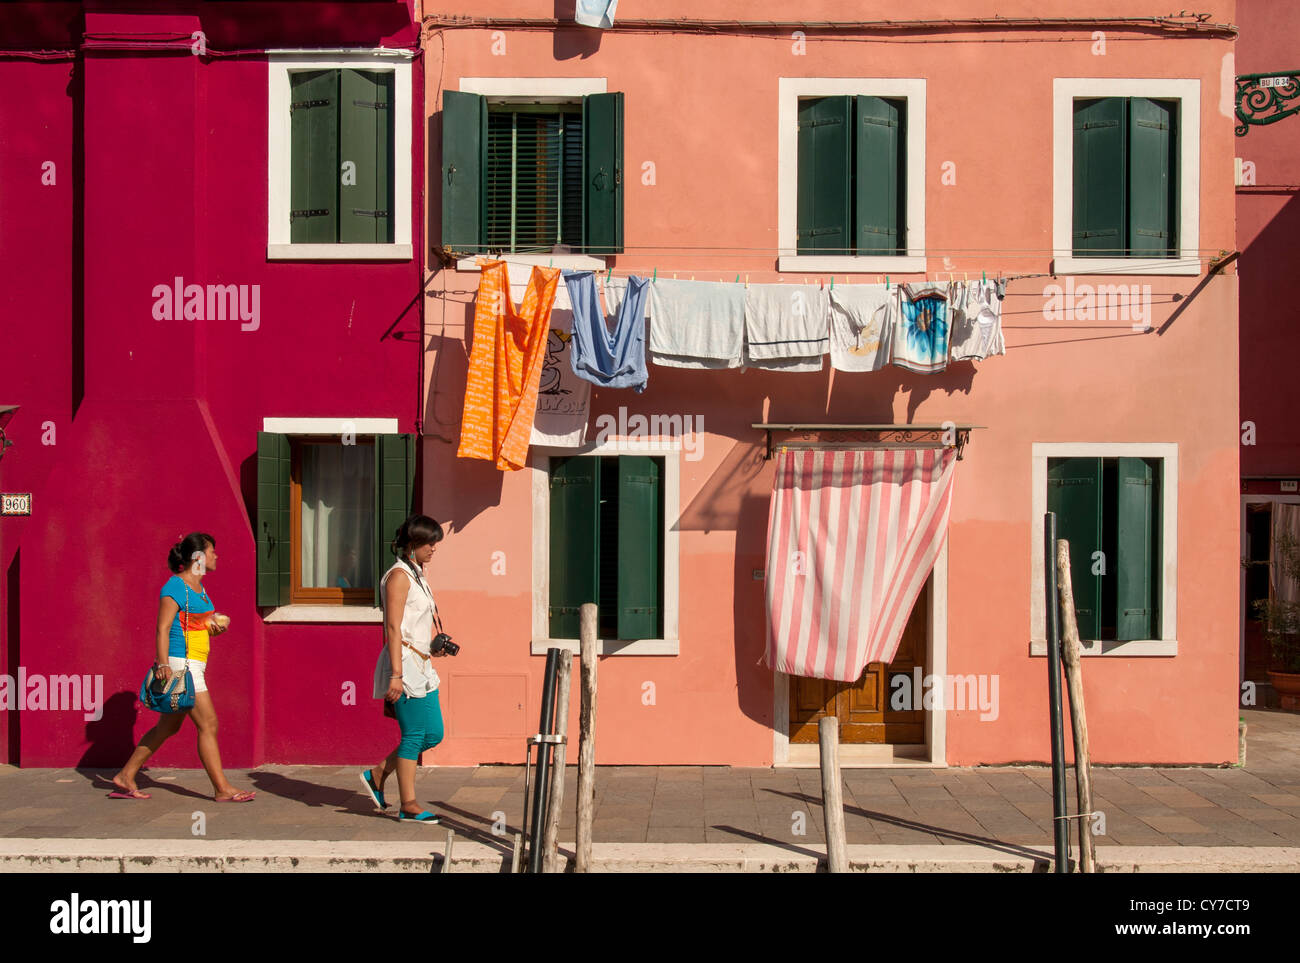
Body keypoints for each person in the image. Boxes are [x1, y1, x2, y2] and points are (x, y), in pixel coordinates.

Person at [110, 532, 255, 803]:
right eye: (212, 551)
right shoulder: (175, 587)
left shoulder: (199, 589)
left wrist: (214, 626)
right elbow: (163, 628)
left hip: (195, 662)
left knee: (168, 727)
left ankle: (126, 775)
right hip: (182, 665)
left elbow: (195, 625)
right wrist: (162, 663)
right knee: (209, 724)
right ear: (198, 557)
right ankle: (222, 788)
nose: (216, 556)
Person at [360, 515, 447, 821]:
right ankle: (408, 805)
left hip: (422, 662)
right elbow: (394, 629)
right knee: (414, 734)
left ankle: (378, 773)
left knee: (433, 733)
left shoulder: (418, 574)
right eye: (429, 543)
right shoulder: (399, 576)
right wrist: (395, 675)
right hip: (405, 663)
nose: (434, 548)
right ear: (412, 544)